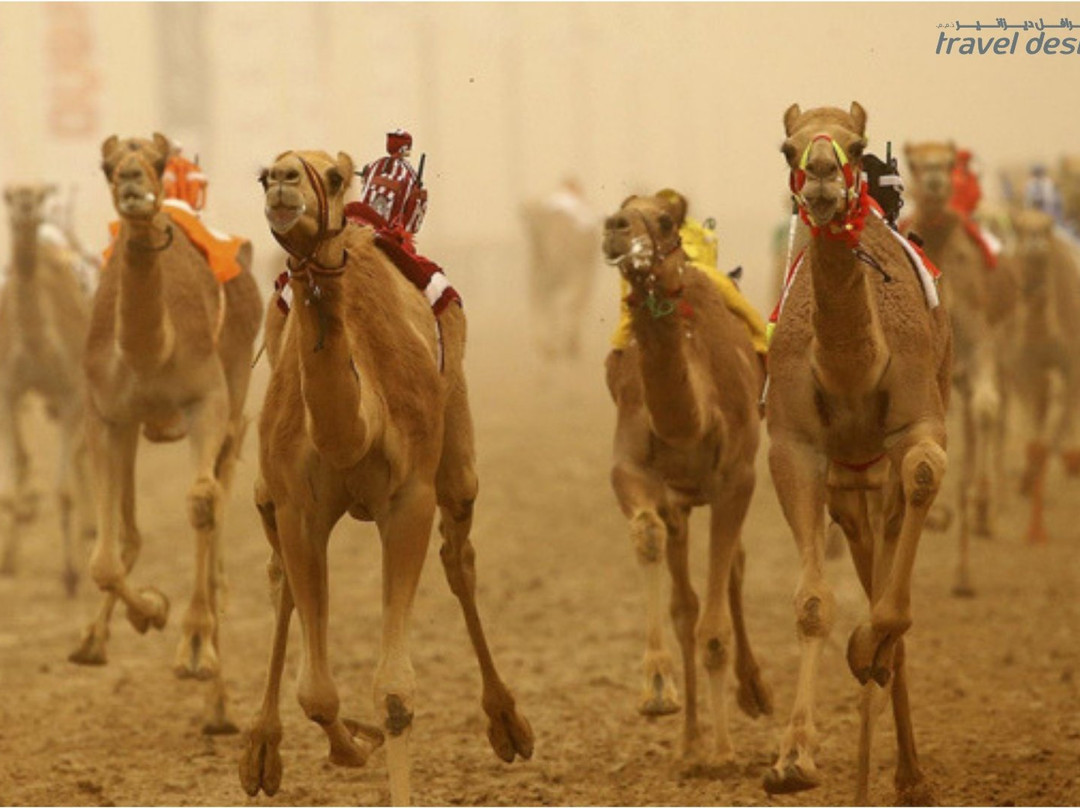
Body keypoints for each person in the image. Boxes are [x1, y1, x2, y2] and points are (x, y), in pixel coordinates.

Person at [610, 188, 769, 361]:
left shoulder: (695, 231)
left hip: (691, 272)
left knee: (728, 290)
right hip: (654, 275)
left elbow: (700, 256)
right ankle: (620, 345)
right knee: (631, 298)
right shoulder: (641, 235)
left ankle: (761, 339)